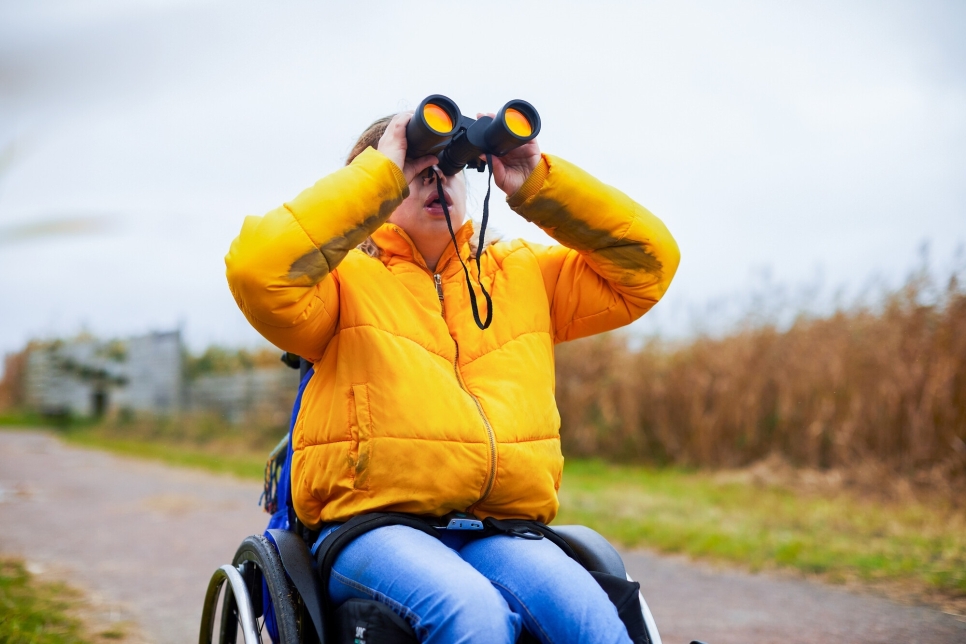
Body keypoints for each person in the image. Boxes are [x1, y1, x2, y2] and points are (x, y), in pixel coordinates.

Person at [226, 109, 680, 643]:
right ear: (374, 191)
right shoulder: (339, 283)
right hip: (376, 528)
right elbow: (258, 270)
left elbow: (649, 265)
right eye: (415, 171)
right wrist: (379, 174)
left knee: (592, 621)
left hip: (499, 529)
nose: (435, 179)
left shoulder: (523, 276)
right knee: (472, 615)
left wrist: (537, 179)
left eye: (448, 167)